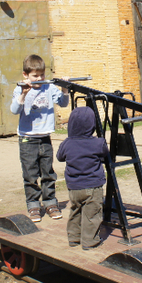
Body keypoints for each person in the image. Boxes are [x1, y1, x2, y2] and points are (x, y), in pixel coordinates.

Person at [10, 54, 69, 222]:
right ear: (25, 75)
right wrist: (23, 94)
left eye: (42, 75)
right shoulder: (20, 89)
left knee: (48, 173)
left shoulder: (49, 88)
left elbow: (64, 103)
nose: (39, 78)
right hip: (27, 139)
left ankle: (50, 202)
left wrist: (64, 89)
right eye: (35, 76)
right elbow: (14, 110)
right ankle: (33, 205)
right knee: (30, 174)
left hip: (45, 138)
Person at [56, 105, 109, 250]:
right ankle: (89, 241)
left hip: (74, 187)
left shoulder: (67, 143)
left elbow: (60, 157)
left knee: (75, 211)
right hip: (92, 186)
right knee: (92, 215)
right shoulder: (98, 143)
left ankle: (73, 238)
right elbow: (105, 153)